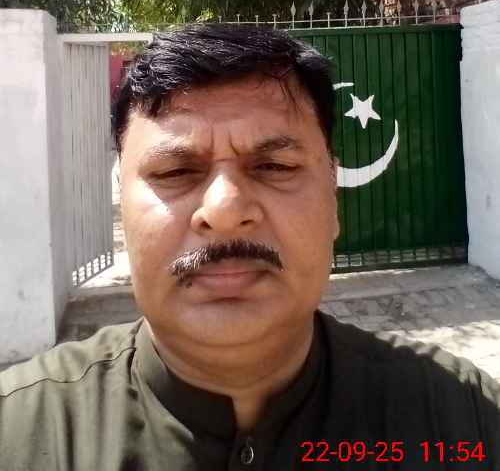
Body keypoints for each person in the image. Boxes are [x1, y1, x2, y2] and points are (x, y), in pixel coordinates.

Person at [0, 23, 499, 470]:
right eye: (176, 171)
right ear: (122, 207)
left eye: (274, 167)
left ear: (333, 197)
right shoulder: (22, 431)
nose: (224, 209)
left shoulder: (464, 421)